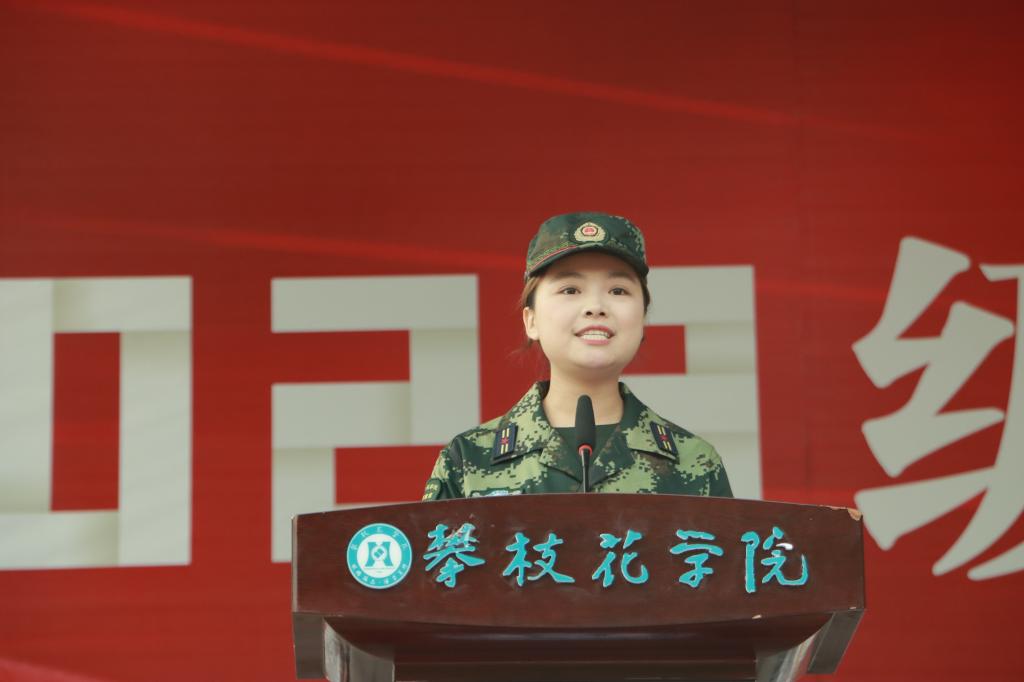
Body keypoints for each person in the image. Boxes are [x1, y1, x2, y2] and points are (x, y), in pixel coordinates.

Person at [422, 212, 732, 499]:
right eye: (570, 290)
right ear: (531, 320)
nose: (595, 307)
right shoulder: (468, 460)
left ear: (642, 319)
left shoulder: (694, 462)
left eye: (618, 291)